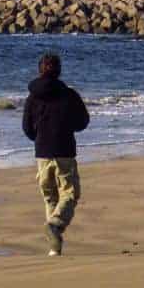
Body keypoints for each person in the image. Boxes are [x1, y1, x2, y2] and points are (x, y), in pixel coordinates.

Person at [22, 53, 89, 257]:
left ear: (40, 70)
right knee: (69, 194)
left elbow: (26, 127)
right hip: (64, 151)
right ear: (59, 71)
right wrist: (67, 127)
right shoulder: (69, 95)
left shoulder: (33, 97)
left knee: (50, 196)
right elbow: (83, 121)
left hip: (43, 152)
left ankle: (54, 247)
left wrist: (39, 138)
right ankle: (56, 225)